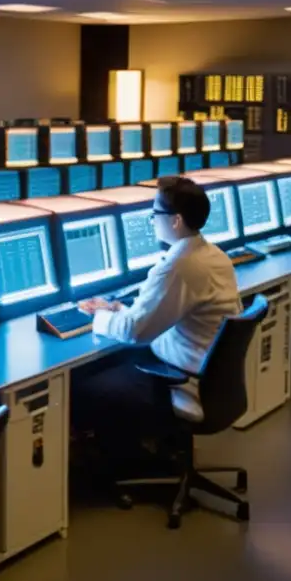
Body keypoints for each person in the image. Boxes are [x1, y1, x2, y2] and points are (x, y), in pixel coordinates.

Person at [73, 176, 242, 469]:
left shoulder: (180, 265)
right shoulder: (213, 255)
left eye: (155, 214)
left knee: (87, 386)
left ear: (175, 221)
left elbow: (133, 331)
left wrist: (99, 317)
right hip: (210, 375)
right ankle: (150, 449)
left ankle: (121, 465)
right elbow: (158, 313)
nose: (152, 220)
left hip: (186, 379)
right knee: (126, 360)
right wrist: (120, 308)